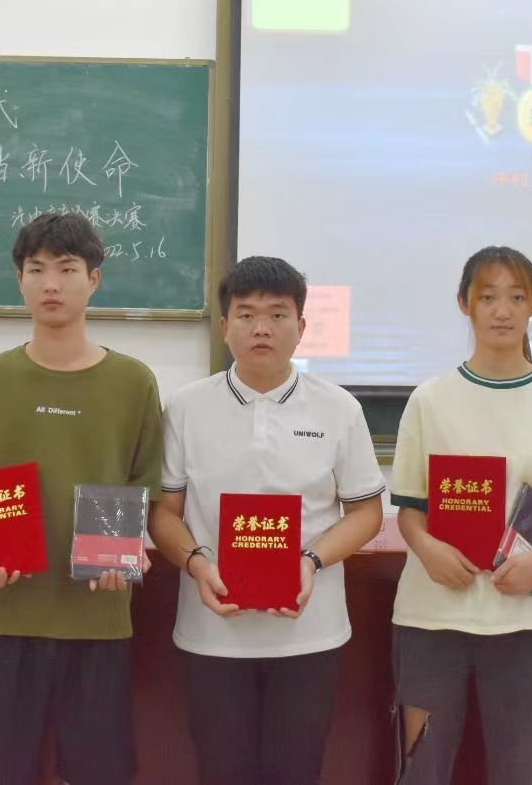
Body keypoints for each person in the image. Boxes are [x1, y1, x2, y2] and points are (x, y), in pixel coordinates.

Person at [0, 211, 164, 785]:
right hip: (3, 614)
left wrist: (132, 553)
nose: (51, 284)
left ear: (95, 279)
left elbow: (145, 492)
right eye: (36, 270)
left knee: (101, 772)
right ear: (20, 280)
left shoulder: (134, 382)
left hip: (98, 617)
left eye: (67, 269)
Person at [149, 255, 385, 785]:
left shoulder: (339, 408)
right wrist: (197, 563)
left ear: (301, 326)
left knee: (296, 772)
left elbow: (366, 513)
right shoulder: (186, 407)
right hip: (212, 632)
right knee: (222, 771)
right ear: (224, 325)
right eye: (247, 314)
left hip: (310, 633)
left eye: (278, 315)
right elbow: (164, 513)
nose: (262, 328)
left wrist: (310, 561)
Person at [388, 245, 532, 785]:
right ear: (465, 304)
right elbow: (410, 509)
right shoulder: (429, 399)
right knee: (421, 769)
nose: (502, 311)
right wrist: (428, 548)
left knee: (523, 771)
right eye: (488, 297)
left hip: (529, 618)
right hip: (432, 615)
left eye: (517, 298)